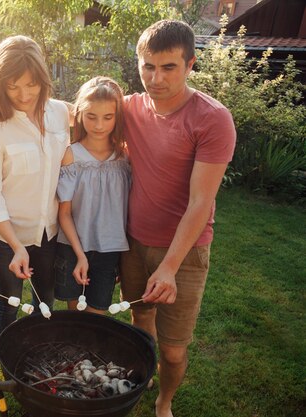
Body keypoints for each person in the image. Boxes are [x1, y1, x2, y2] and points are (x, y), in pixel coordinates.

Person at [120, 20, 236, 417]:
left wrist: (169, 267)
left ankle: (164, 403)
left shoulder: (212, 119)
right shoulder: (130, 108)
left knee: (173, 349)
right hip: (133, 243)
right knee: (140, 319)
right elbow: (79, 111)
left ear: (190, 65)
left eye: (168, 67)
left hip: (184, 254)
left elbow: (201, 202)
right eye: (148, 66)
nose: (155, 78)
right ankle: (144, 370)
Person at [0, 35, 70, 334]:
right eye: (12, 86)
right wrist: (16, 246)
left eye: (31, 84)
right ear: (0, 85)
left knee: (47, 300)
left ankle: (40, 355)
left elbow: (100, 112)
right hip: (6, 239)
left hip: (49, 232)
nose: (23, 94)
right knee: (11, 302)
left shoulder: (61, 113)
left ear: (43, 79)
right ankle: (7, 362)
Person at [54, 76, 131, 314]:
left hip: (109, 250)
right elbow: (64, 214)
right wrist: (80, 255)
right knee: (75, 317)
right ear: (79, 115)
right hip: (73, 247)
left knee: (98, 317)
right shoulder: (71, 155)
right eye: (91, 117)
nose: (99, 125)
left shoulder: (124, 156)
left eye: (108, 117)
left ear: (117, 117)